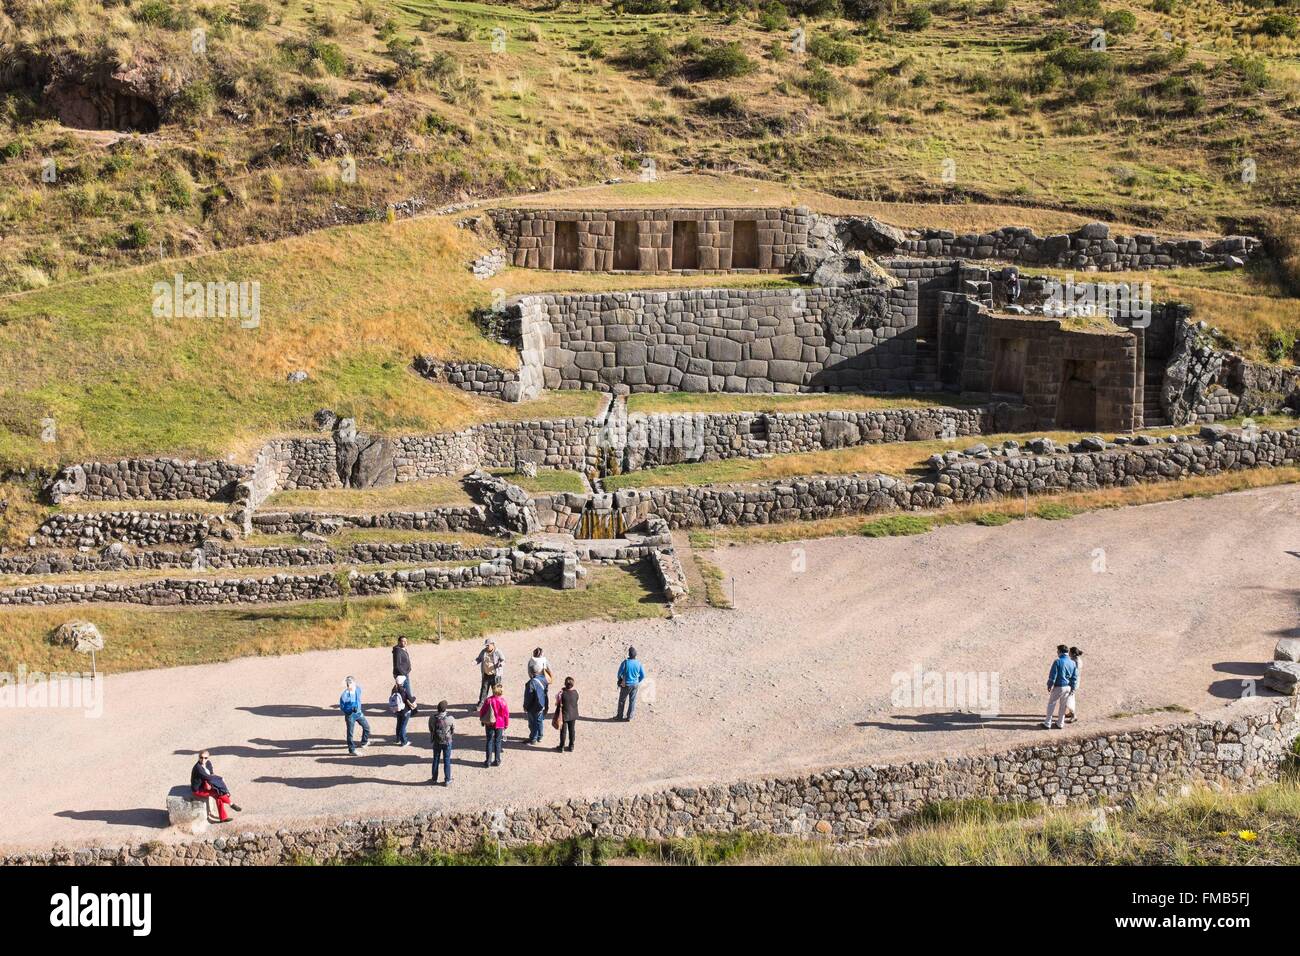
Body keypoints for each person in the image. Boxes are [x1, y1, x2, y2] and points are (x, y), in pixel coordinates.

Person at [191, 751, 241, 823]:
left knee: (218, 795)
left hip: (205, 784)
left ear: (208, 758)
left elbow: (211, 774)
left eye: (205, 758)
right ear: (198, 758)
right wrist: (220, 778)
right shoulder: (198, 768)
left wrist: (214, 780)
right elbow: (208, 777)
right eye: (201, 757)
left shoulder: (208, 763)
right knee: (218, 793)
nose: (203, 759)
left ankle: (223, 818)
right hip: (198, 790)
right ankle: (231, 804)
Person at [1044, 644, 1078, 730]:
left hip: (1059, 686)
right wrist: (1073, 688)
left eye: (1057, 651)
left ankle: (1047, 723)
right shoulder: (1073, 663)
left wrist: (1049, 684)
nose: (1057, 653)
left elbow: (1053, 675)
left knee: (1051, 704)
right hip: (1068, 687)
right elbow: (1074, 677)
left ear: (1060, 652)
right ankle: (1060, 723)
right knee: (1063, 706)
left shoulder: (1057, 661)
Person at [479, 683, 509, 767]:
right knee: (498, 742)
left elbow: (483, 711)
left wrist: (482, 720)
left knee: (489, 741)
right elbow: (506, 715)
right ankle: (497, 760)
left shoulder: (488, 700)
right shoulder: (503, 702)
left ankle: (488, 761)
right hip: (500, 724)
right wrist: (506, 724)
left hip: (489, 723)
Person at [339, 675, 370, 755]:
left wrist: (358, 708)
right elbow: (342, 707)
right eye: (348, 684)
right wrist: (350, 709)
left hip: (359, 713)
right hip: (350, 716)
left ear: (354, 683)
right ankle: (352, 750)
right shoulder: (344, 695)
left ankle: (364, 742)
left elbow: (358, 699)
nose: (350, 686)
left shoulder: (358, 689)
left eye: (351, 684)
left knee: (367, 727)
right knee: (350, 733)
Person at [616, 647, 646, 721]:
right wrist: (637, 681)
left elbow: (619, 674)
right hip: (635, 684)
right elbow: (643, 675)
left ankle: (619, 716)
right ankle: (629, 717)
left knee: (622, 700)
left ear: (629, 654)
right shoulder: (639, 663)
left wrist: (621, 679)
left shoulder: (625, 663)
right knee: (632, 701)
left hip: (626, 685)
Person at [429, 700, 455, 786]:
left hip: (436, 741)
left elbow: (431, 729)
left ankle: (434, 779)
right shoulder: (450, 719)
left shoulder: (432, 718)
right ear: (445, 709)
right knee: (447, 760)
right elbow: (453, 729)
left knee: (435, 759)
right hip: (447, 741)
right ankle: (447, 779)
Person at [475, 640, 505, 708]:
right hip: (486, 674)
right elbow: (479, 659)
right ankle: (481, 703)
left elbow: (503, 660)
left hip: (495, 675)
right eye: (486, 645)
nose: (487, 646)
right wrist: (475, 662)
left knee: (496, 690)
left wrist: (500, 664)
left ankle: (498, 704)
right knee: (484, 689)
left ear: (493, 644)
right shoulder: (483, 651)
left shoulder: (498, 652)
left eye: (488, 645)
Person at [523, 671, 549, 745]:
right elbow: (546, 693)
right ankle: (540, 736)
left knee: (532, 722)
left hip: (533, 707)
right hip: (542, 704)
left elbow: (528, 697)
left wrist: (525, 706)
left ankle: (533, 738)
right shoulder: (544, 679)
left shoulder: (531, 683)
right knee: (539, 721)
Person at [390, 676, 417, 747]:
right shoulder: (404, 690)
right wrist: (414, 697)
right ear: (402, 683)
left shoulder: (394, 689)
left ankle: (397, 738)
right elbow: (411, 699)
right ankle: (404, 741)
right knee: (403, 726)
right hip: (405, 710)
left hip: (397, 710)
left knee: (399, 724)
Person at [555, 676, 579, 753]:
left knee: (563, 732)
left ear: (565, 684)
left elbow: (558, 703)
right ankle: (571, 746)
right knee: (572, 731)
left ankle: (561, 747)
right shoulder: (575, 692)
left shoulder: (561, 694)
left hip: (564, 715)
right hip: (573, 715)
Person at [1064, 647, 1083, 724]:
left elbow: (1073, 674)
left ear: (1073, 653)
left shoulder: (1076, 662)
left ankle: (1074, 715)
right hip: (1075, 682)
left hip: (1073, 683)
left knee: (1069, 699)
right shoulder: (1077, 660)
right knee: (1071, 697)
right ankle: (1070, 713)